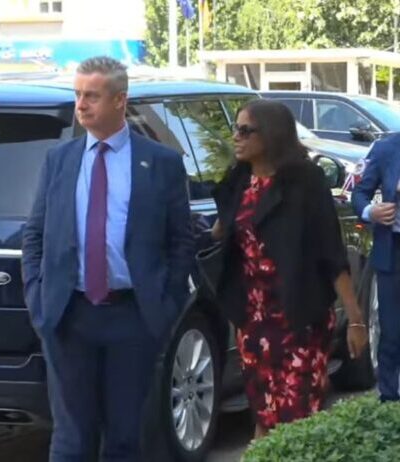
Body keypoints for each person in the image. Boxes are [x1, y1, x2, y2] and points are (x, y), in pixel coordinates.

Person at [21, 56, 194, 461]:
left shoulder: (161, 163)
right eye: (78, 95)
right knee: (71, 440)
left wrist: (164, 307)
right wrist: (39, 301)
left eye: (92, 96)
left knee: (125, 438)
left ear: (120, 100)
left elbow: (180, 242)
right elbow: (35, 234)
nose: (81, 105)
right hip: (69, 315)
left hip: (133, 317)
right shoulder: (59, 160)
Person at [211, 99, 368, 438]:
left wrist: (355, 320)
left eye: (245, 130)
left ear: (271, 134)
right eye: (235, 129)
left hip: (299, 318)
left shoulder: (305, 182)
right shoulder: (239, 179)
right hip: (253, 320)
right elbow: (222, 232)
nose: (236, 137)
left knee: (297, 416)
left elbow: (332, 254)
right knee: (262, 411)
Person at [352, 134, 400, 403]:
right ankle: (389, 401)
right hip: (393, 251)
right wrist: (371, 211)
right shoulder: (386, 149)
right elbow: (359, 192)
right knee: (391, 331)